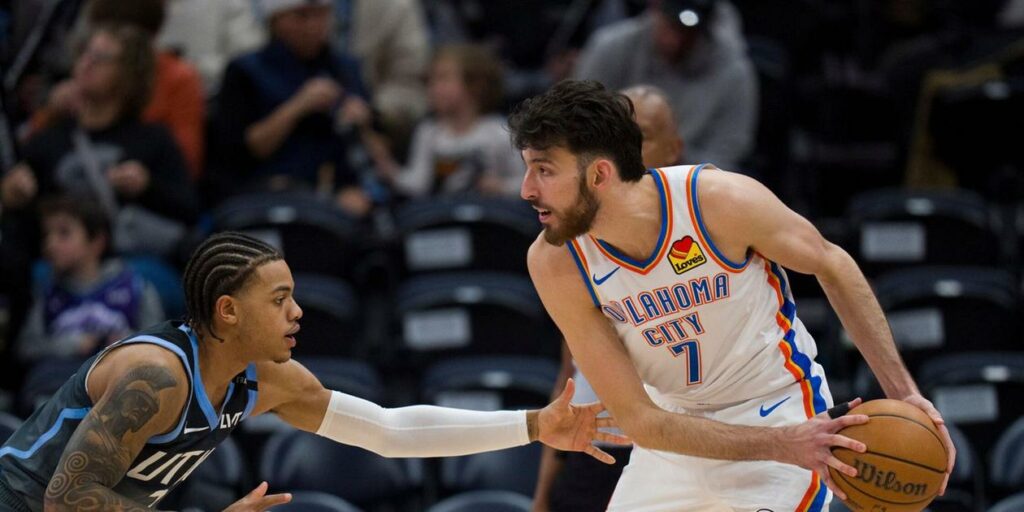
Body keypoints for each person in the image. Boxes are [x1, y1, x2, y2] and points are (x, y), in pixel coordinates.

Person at [510, 79, 955, 511]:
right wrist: (781, 445)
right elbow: (641, 421)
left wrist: (904, 395)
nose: (526, 189)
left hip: (777, 410)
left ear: (600, 174)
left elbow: (832, 264)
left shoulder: (715, 202)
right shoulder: (556, 263)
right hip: (674, 432)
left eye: (544, 170)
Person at [0, 231, 628, 511]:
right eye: (279, 300)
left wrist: (533, 426)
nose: (298, 313)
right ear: (227, 310)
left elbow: (390, 431)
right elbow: (69, 499)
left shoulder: (266, 380)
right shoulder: (155, 374)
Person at [531, 84, 683, 512]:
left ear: (674, 149)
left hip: (679, 448)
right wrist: (542, 494)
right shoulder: (568, 247)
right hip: (595, 448)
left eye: (644, 134)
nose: (627, 146)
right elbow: (568, 376)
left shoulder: (703, 228)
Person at [213, 0, 376, 217]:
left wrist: (363, 124)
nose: (312, 26)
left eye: (320, 15)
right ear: (276, 20)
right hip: (267, 194)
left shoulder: (345, 68)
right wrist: (298, 106)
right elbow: (239, 152)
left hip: (339, 194)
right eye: (301, 16)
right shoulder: (245, 71)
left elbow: (376, 156)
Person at [573, 0, 757, 170]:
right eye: (671, 26)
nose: (676, 42)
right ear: (655, 7)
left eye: (687, 32)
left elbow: (726, 155)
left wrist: (674, 163)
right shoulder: (611, 47)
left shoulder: (733, 72)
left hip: (687, 188)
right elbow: (576, 120)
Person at [16, 197, 164, 365]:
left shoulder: (135, 287)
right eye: (46, 235)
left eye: (63, 233)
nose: (50, 244)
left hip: (122, 379)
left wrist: (125, 343)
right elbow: (26, 347)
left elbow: (158, 344)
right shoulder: (46, 292)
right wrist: (70, 345)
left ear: (96, 241)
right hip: (60, 382)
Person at [371, 44, 522, 199]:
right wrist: (388, 167)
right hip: (443, 214)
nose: (434, 88)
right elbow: (418, 185)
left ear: (476, 85)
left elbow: (526, 183)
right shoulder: (428, 132)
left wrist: (502, 187)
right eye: (431, 81)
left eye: (443, 78)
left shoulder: (499, 131)